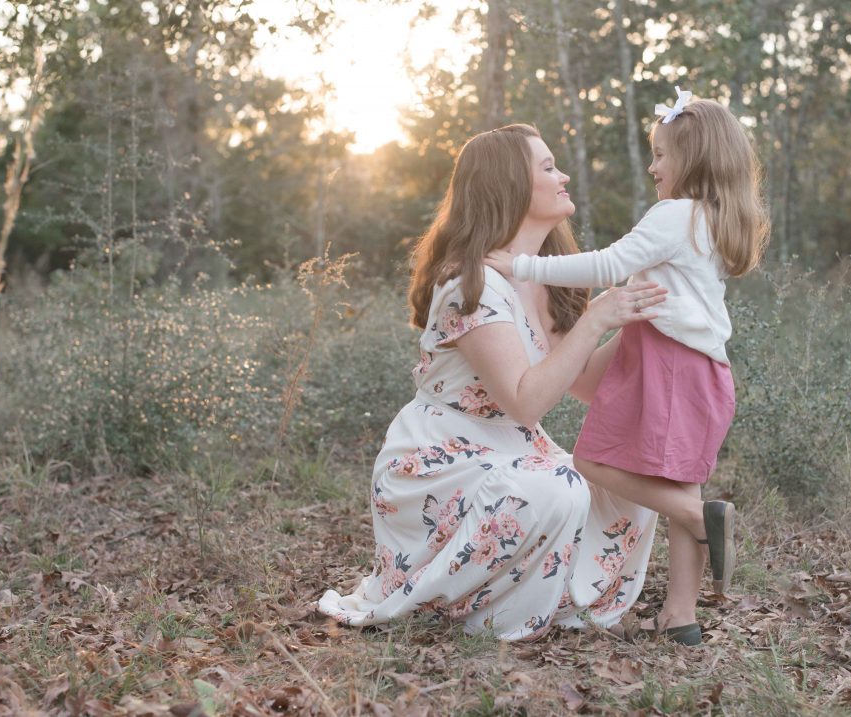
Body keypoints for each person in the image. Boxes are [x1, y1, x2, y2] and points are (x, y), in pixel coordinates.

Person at [318, 124, 668, 640]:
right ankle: (485, 618)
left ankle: (555, 605)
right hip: (443, 461)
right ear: (510, 186)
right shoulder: (470, 283)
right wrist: (598, 319)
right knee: (559, 490)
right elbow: (526, 402)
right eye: (548, 167)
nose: (563, 175)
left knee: (626, 483)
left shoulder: (545, 278)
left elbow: (586, 384)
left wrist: (640, 313)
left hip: (515, 451)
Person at [486, 88, 770, 646]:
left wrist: (521, 265)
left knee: (594, 460)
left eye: (662, 154)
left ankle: (696, 513)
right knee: (679, 481)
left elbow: (609, 262)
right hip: (708, 372)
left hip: (666, 364)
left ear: (694, 159)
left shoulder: (675, 215)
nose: (653, 165)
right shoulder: (716, 220)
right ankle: (681, 617)